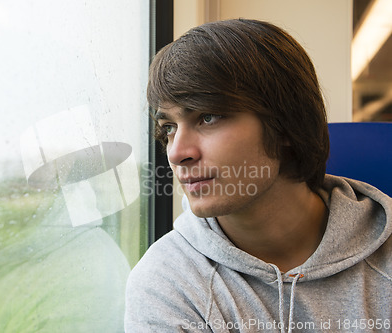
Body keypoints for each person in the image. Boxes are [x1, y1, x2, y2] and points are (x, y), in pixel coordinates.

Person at [125, 18, 392, 332]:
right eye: (168, 128)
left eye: (207, 117)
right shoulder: (168, 282)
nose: (176, 152)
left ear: (285, 125)